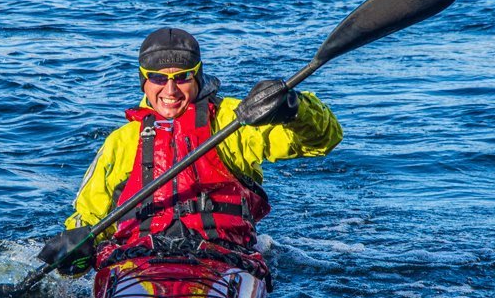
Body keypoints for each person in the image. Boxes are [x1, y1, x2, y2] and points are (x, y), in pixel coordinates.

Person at [38, 27, 342, 280]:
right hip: (138, 266)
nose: (170, 90)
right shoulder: (122, 141)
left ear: (198, 76)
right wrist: (76, 246)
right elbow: (89, 215)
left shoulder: (234, 122)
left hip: (223, 263)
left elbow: (324, 139)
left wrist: (295, 108)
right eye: (158, 78)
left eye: (181, 77)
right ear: (144, 80)